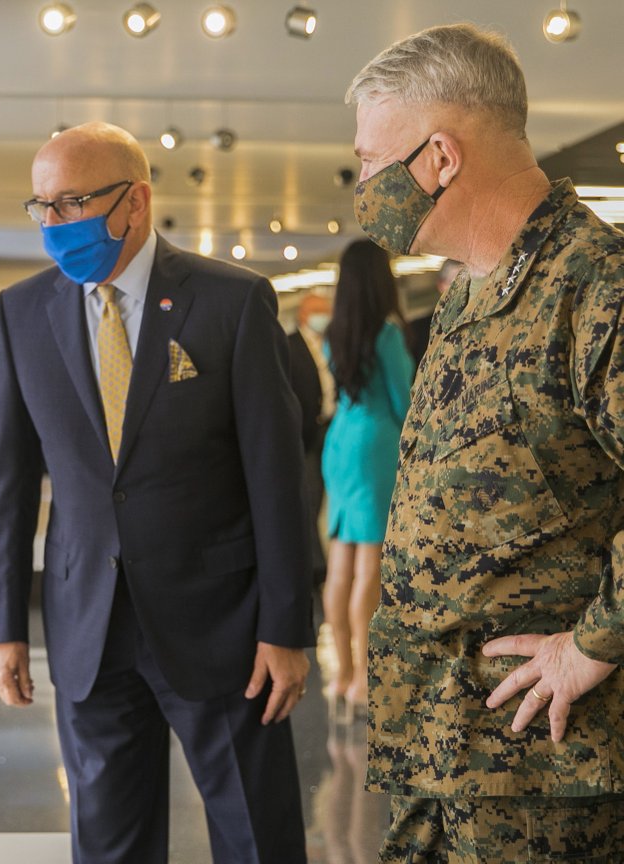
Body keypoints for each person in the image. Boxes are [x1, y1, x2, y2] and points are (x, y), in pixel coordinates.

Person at [0, 122, 313, 863]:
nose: (54, 223)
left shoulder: (231, 302)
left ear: (135, 201)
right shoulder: (23, 312)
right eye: (41, 206)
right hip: (88, 629)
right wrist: (4, 627)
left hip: (222, 626)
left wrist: (287, 628)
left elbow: (276, 477)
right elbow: (9, 480)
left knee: (256, 837)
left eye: (72, 203)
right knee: (108, 845)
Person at [349, 23, 624, 859]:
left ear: (440, 157)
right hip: (440, 745)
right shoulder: (472, 292)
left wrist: (594, 644)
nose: (362, 186)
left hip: (542, 775)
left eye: (370, 162)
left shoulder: (594, 284)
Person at [319, 239, 413, 718]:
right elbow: (404, 401)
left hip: (339, 443)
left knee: (341, 562)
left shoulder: (332, 332)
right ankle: (363, 678)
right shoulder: (387, 334)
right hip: (376, 446)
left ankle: (341, 673)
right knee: (370, 568)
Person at [287, 291, 336, 585]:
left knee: (331, 497)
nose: (325, 317)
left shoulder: (332, 343)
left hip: (332, 428)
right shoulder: (289, 345)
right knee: (310, 497)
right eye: (320, 311)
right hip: (306, 433)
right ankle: (316, 567)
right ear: (305, 314)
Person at [406, 257, 462, 368]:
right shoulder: (417, 330)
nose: (463, 289)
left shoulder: (483, 323)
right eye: (456, 283)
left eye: (469, 283)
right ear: (441, 285)